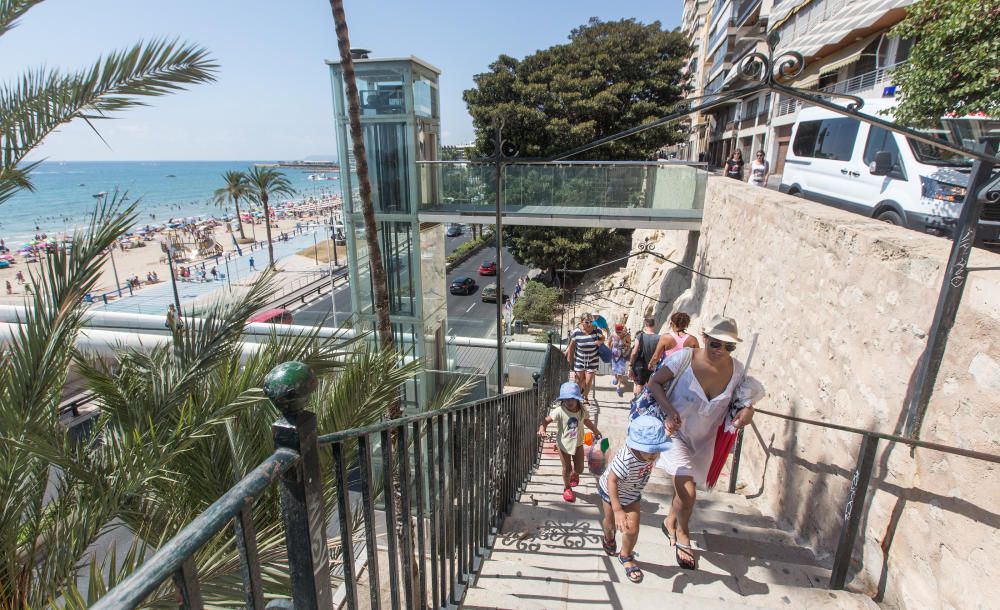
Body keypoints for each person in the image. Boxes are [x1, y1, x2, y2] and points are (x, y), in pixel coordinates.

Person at [646, 315, 761, 571]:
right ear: (704, 336)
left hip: (705, 440)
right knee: (688, 490)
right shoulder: (683, 359)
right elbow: (654, 383)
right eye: (716, 344)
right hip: (675, 433)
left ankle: (669, 522)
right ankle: (684, 534)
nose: (722, 350)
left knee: (684, 491)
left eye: (729, 346)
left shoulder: (738, 370)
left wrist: (748, 413)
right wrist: (668, 410)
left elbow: (742, 404)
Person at [597, 415, 673, 584]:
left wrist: (671, 430)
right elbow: (612, 480)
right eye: (650, 450)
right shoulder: (626, 459)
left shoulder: (651, 452)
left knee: (632, 529)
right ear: (638, 446)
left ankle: (626, 555)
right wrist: (617, 510)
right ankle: (608, 537)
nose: (654, 455)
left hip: (632, 494)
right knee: (610, 524)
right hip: (611, 493)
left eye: (657, 449)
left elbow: (664, 437)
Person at [537, 382, 601, 503]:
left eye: (572, 399)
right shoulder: (559, 411)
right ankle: (567, 488)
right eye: (566, 399)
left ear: (577, 399)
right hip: (563, 445)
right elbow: (545, 420)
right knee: (566, 468)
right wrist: (542, 428)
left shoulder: (582, 410)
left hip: (578, 444)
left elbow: (586, 421)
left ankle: (575, 474)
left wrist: (596, 431)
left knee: (580, 468)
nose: (569, 402)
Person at [566, 314, 604, 403]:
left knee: (589, 380)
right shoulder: (576, 332)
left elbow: (603, 338)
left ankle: (585, 397)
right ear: (582, 322)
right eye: (587, 322)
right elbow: (571, 347)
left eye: (591, 321)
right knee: (578, 380)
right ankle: (577, 395)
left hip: (592, 360)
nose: (589, 324)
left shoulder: (596, 331)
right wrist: (569, 359)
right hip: (580, 359)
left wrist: (600, 341)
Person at [627, 317, 660, 399]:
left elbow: (634, 352)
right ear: (654, 325)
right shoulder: (659, 337)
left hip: (640, 365)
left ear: (645, 325)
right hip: (653, 366)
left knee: (639, 384)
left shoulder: (640, 336)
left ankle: (638, 404)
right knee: (651, 385)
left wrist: (630, 365)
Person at [609, 323, 631, 397]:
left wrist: (626, 347)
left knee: (620, 372)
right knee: (615, 369)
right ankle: (615, 378)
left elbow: (629, 344)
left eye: (619, 332)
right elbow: (609, 344)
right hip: (613, 355)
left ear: (622, 330)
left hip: (622, 355)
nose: (618, 333)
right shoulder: (612, 335)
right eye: (617, 332)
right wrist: (610, 352)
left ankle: (618, 386)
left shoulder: (626, 336)